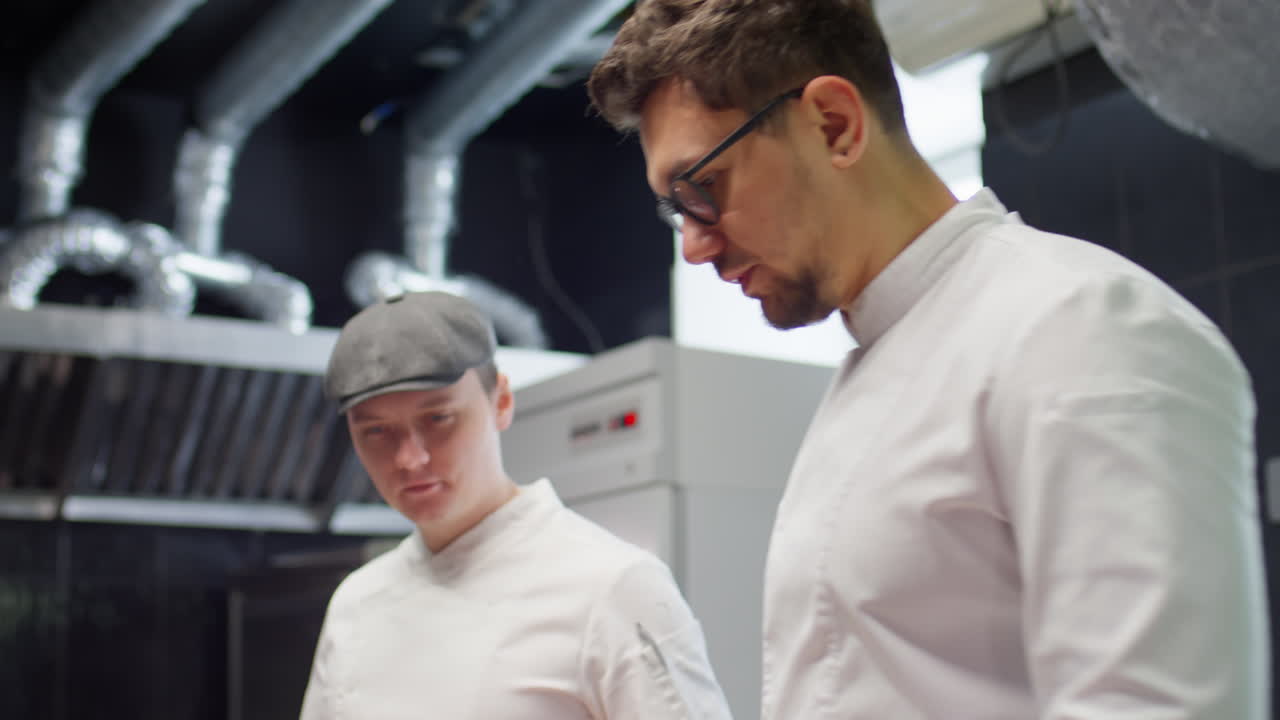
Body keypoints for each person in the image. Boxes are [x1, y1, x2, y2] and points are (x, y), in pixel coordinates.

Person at [587, 1, 1270, 718]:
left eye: (702, 188)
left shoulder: (1082, 327)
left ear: (834, 126)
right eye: (676, 210)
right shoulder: (877, 360)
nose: (693, 246)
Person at [299, 290, 733, 719]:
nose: (410, 458)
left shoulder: (615, 587)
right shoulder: (356, 604)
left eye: (438, 419)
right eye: (376, 432)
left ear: (501, 401)